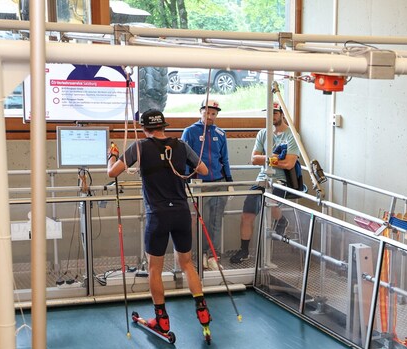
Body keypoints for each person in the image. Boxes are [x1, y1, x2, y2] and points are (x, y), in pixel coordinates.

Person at [107, 109, 212, 334]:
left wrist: (112, 156)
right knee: (186, 263)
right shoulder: (181, 146)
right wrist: (180, 171)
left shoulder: (140, 147)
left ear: (144, 128)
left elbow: (112, 173)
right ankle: (202, 310)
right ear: (164, 126)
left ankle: (161, 319)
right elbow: (203, 169)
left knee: (155, 268)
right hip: (182, 212)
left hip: (158, 215)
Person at [230, 102, 302, 264]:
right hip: (262, 178)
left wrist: (267, 160)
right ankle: (244, 250)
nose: (272, 116)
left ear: (282, 113)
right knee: (247, 214)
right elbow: (254, 159)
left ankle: (280, 224)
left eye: (275, 112)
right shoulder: (263, 134)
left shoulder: (291, 135)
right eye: (269, 113)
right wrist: (275, 159)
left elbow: (289, 164)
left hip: (281, 180)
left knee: (269, 204)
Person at [181, 98, 233, 270]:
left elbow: (224, 159)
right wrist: (185, 181)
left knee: (216, 221)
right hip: (198, 185)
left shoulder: (220, 133)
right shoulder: (190, 132)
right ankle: (199, 255)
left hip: (218, 183)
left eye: (213, 113)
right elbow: (183, 158)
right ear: (200, 112)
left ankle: (212, 255)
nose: (209, 116)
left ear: (217, 114)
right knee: (198, 220)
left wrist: (229, 182)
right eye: (206, 113)